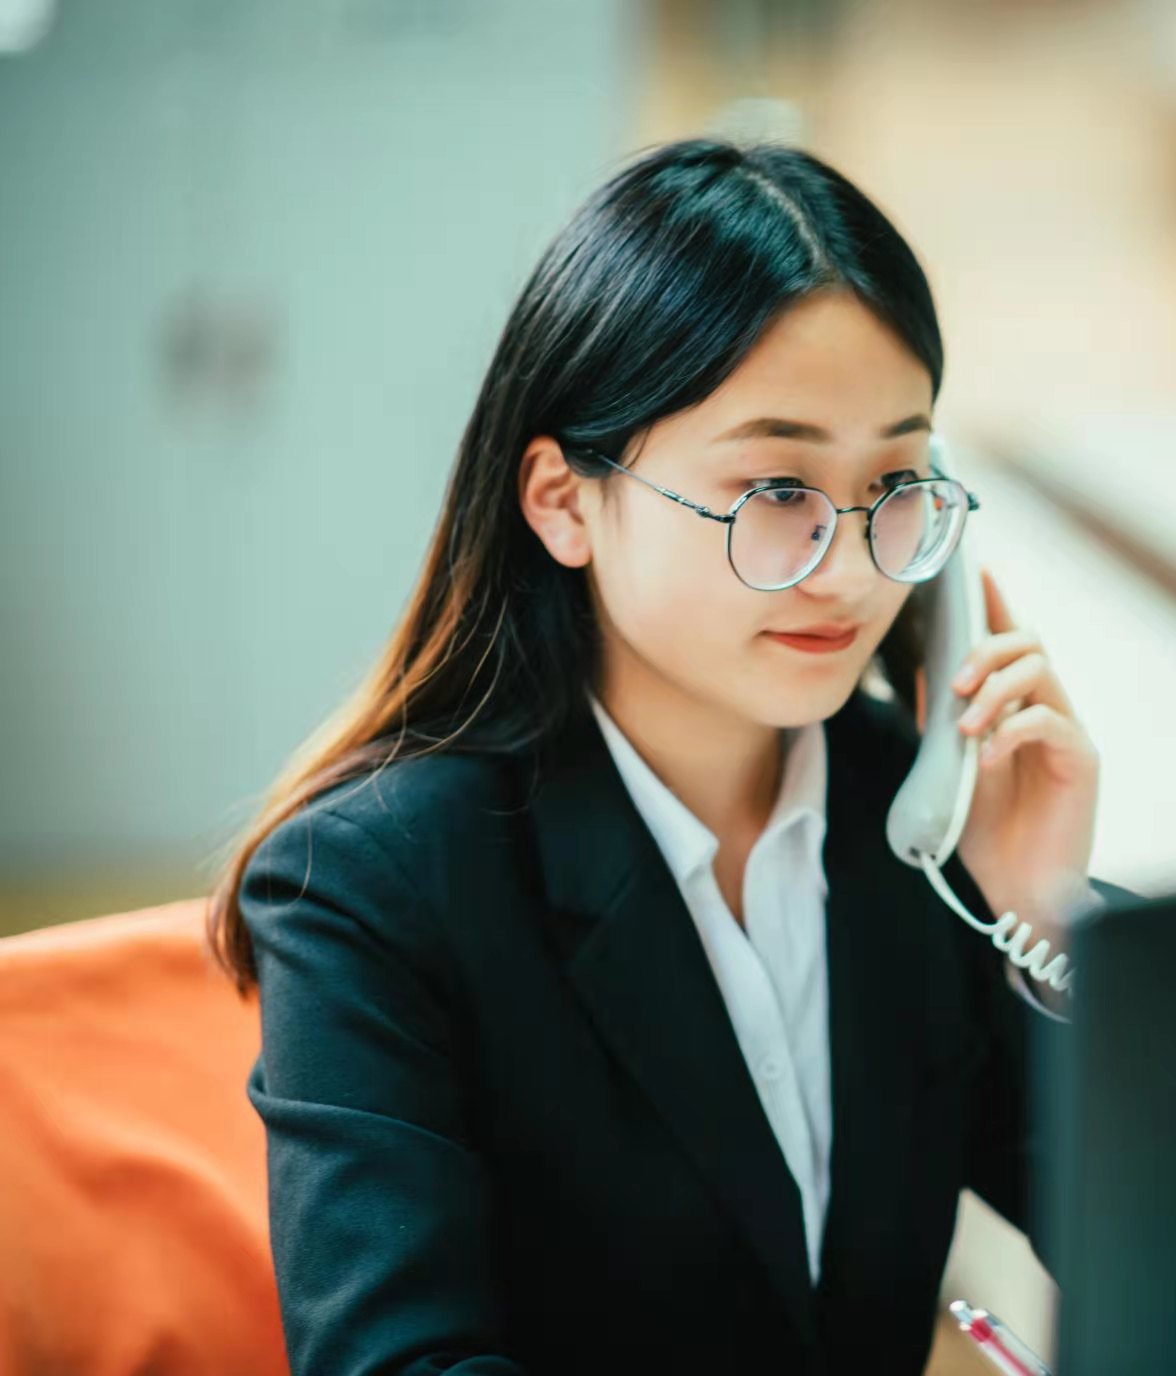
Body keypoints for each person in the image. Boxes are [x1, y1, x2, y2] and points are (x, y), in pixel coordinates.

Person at [205, 136, 1124, 1374]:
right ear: (564, 501)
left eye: (896, 480)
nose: (851, 570)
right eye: (774, 489)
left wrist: (1040, 929)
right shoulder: (372, 888)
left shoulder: (913, 819)